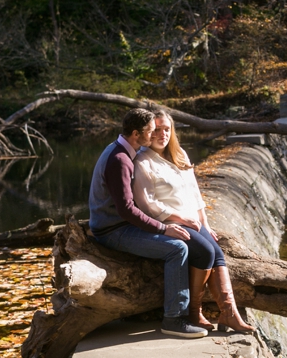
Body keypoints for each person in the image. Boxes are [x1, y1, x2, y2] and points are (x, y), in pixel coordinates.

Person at [88, 108, 208, 339]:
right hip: (112, 231)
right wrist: (164, 228)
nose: (155, 136)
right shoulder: (120, 160)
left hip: (119, 224)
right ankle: (174, 319)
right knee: (176, 249)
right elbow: (127, 210)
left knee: (181, 245)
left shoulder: (122, 150)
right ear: (136, 134)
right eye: (151, 131)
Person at [133, 109, 255, 333]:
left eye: (167, 129)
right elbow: (146, 203)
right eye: (157, 129)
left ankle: (229, 313)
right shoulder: (142, 161)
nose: (162, 134)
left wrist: (205, 222)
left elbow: (194, 192)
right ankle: (194, 311)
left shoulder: (180, 154)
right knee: (205, 252)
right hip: (170, 222)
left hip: (193, 220)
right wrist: (179, 218)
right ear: (148, 132)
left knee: (217, 252)